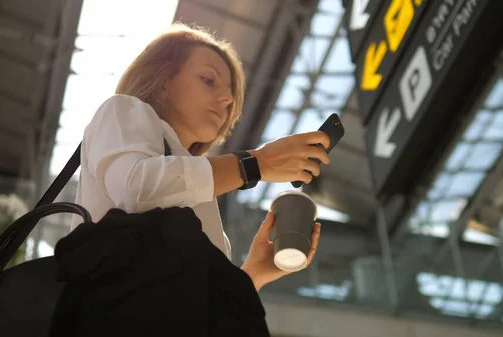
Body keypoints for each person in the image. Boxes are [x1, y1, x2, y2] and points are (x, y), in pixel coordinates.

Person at [70, 22, 331, 292]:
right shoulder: (122, 109)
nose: (227, 98)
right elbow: (138, 189)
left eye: (230, 92)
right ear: (162, 81)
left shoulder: (200, 194)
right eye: (209, 80)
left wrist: (252, 276)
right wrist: (254, 164)